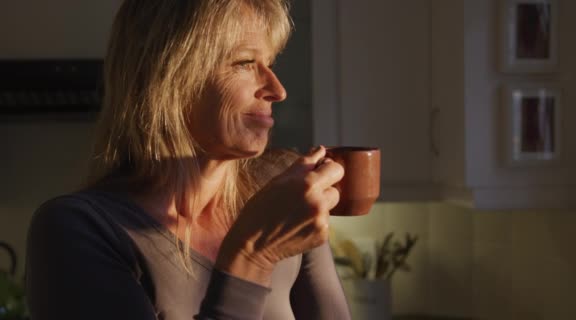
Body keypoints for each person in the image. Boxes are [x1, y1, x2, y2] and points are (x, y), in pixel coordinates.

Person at [25, 0, 351, 319]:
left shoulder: (279, 188)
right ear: (170, 74)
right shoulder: (77, 229)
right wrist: (252, 257)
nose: (277, 90)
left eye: (270, 63)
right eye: (245, 63)